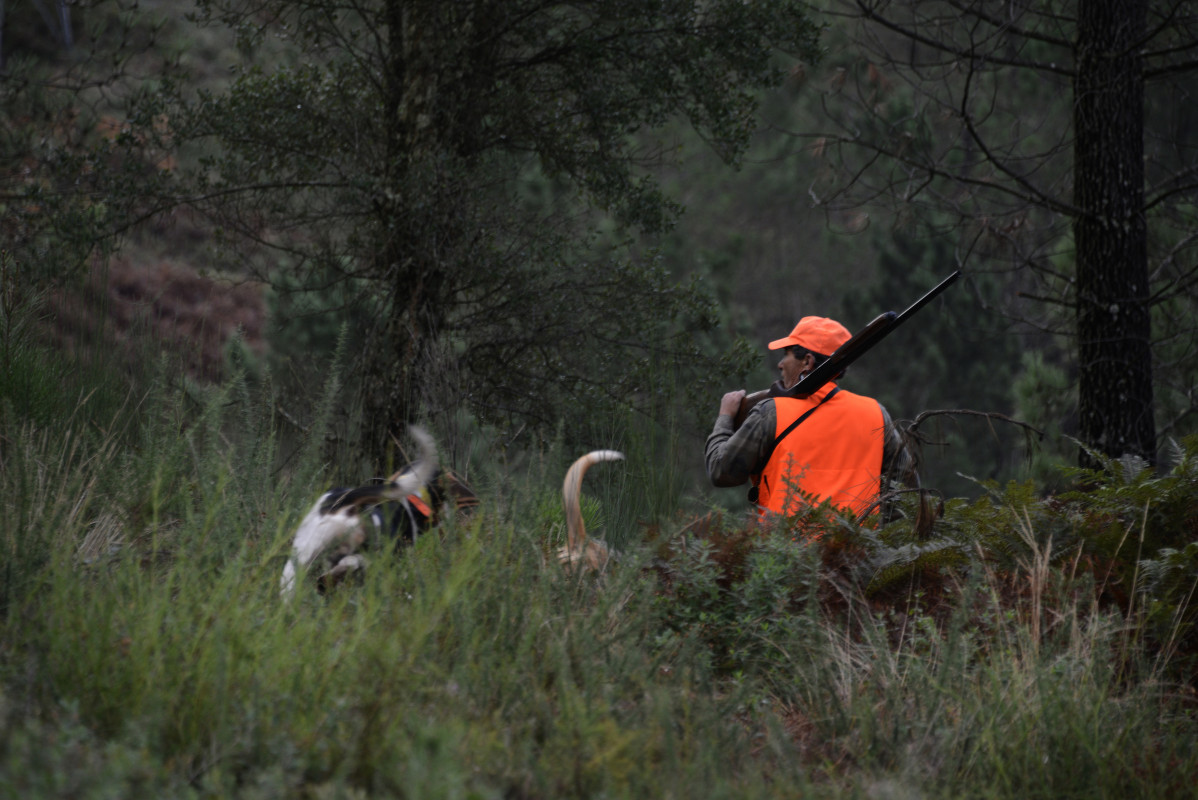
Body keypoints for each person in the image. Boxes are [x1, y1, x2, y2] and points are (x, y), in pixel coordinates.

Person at [706, 316, 915, 521]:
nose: (780, 364)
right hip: (859, 549)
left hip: (786, 552)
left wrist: (725, 416)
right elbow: (906, 487)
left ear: (807, 361)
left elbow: (721, 471)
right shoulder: (876, 413)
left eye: (786, 354)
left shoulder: (771, 412)